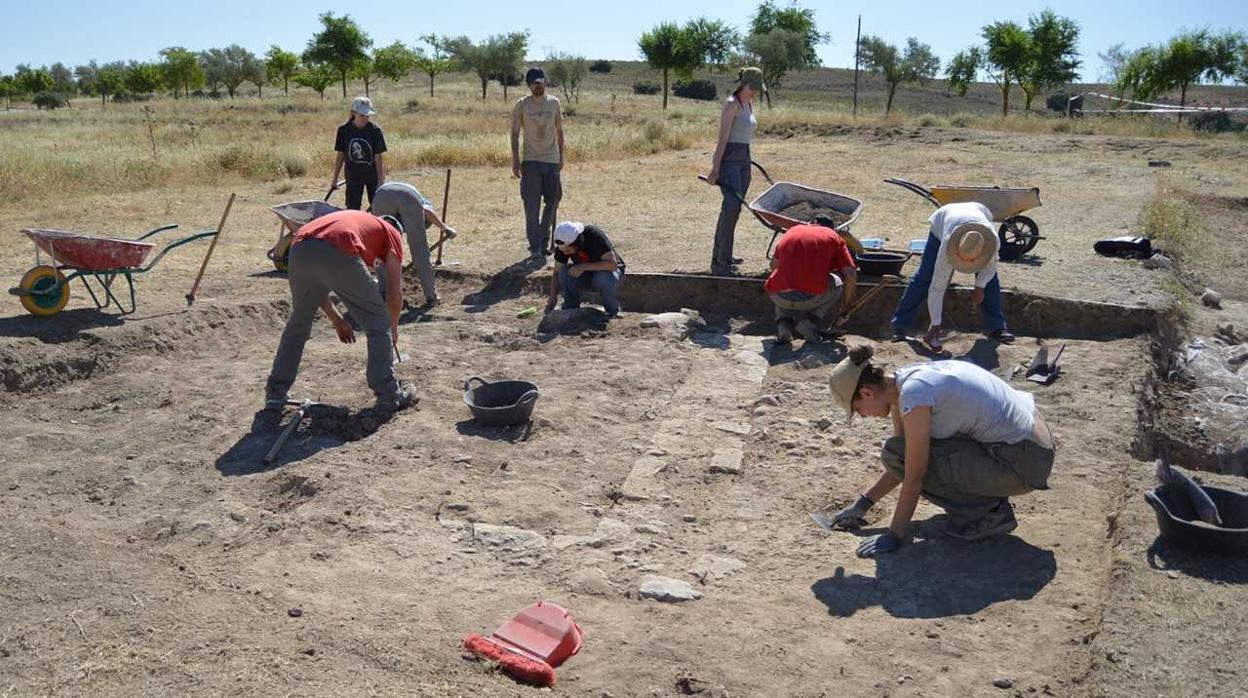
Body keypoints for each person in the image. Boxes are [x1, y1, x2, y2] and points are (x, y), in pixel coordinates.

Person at [822, 344, 1056, 558]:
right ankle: (988, 503)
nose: (863, 415)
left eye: (858, 409)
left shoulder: (914, 395)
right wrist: (862, 505)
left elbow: (914, 473)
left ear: (866, 393)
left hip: (1024, 462)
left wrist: (894, 535)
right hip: (1030, 445)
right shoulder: (906, 382)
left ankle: (988, 514)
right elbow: (903, 458)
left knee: (900, 454)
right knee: (899, 451)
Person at [265, 209, 415, 412]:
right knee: (378, 320)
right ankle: (389, 394)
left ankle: (276, 393)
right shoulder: (391, 232)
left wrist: (337, 320)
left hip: (299, 248)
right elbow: (394, 297)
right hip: (337, 246)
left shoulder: (358, 220)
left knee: (298, 325)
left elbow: (317, 290)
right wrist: (392, 329)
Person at [889, 202, 1014, 351]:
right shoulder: (947, 245)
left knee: (990, 281)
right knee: (925, 276)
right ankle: (900, 326)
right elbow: (937, 286)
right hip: (943, 221)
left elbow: (991, 267)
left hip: (978, 211)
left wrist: (980, 287)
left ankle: (997, 328)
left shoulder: (992, 242)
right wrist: (936, 324)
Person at [706, 67, 763, 276]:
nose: (756, 92)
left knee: (735, 209)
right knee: (730, 208)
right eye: (754, 88)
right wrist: (715, 169)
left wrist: (746, 160)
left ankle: (723, 255)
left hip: (744, 159)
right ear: (746, 84)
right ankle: (721, 262)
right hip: (730, 160)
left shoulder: (749, 103)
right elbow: (722, 140)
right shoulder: (732, 105)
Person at [763, 217, 858, 344]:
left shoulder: (792, 231)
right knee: (837, 282)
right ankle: (809, 322)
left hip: (778, 296)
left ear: (810, 223)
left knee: (781, 279)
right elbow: (850, 275)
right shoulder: (834, 237)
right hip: (810, 298)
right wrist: (846, 308)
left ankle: (784, 325)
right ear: (832, 228)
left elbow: (773, 265)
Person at [370, 181, 458, 306]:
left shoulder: (403, 195)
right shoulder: (421, 201)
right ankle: (431, 296)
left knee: (382, 247)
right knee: (419, 249)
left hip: (381, 196)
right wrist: (445, 228)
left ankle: (384, 294)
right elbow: (427, 211)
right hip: (406, 197)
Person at [511, 67, 565, 261]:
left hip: (551, 159)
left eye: (541, 83)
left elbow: (559, 131)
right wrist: (516, 161)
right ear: (529, 85)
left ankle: (544, 240)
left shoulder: (554, 103)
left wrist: (562, 155)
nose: (538, 86)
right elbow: (515, 134)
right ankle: (535, 246)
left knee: (554, 199)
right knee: (531, 206)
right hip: (531, 161)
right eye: (534, 84)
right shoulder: (522, 105)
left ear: (545, 83)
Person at [546, 221, 625, 317]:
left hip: (610, 273)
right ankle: (571, 309)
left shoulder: (594, 236)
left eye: (568, 250)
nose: (565, 254)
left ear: (577, 243)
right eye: (563, 251)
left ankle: (613, 310)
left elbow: (612, 265)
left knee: (601, 277)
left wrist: (583, 267)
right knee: (564, 272)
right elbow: (557, 272)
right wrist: (553, 296)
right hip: (586, 274)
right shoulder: (562, 245)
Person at [331, 96, 387, 211]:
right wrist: (335, 179)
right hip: (353, 177)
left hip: (372, 177)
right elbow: (340, 155)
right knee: (352, 209)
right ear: (353, 113)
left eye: (367, 115)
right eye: (362, 115)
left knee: (378, 208)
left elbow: (378, 157)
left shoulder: (375, 131)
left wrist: (381, 181)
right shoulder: (344, 130)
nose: (365, 118)